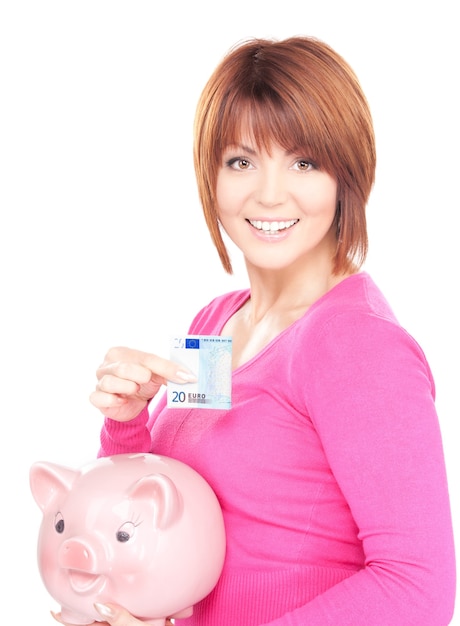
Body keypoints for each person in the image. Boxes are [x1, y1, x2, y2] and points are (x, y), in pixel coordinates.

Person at [59, 36, 456, 625]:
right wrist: (126, 424)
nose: (270, 194)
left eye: (304, 162)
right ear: (210, 177)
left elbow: (418, 587)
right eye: (241, 161)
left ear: (347, 175)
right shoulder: (216, 324)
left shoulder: (357, 346)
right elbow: (171, 511)